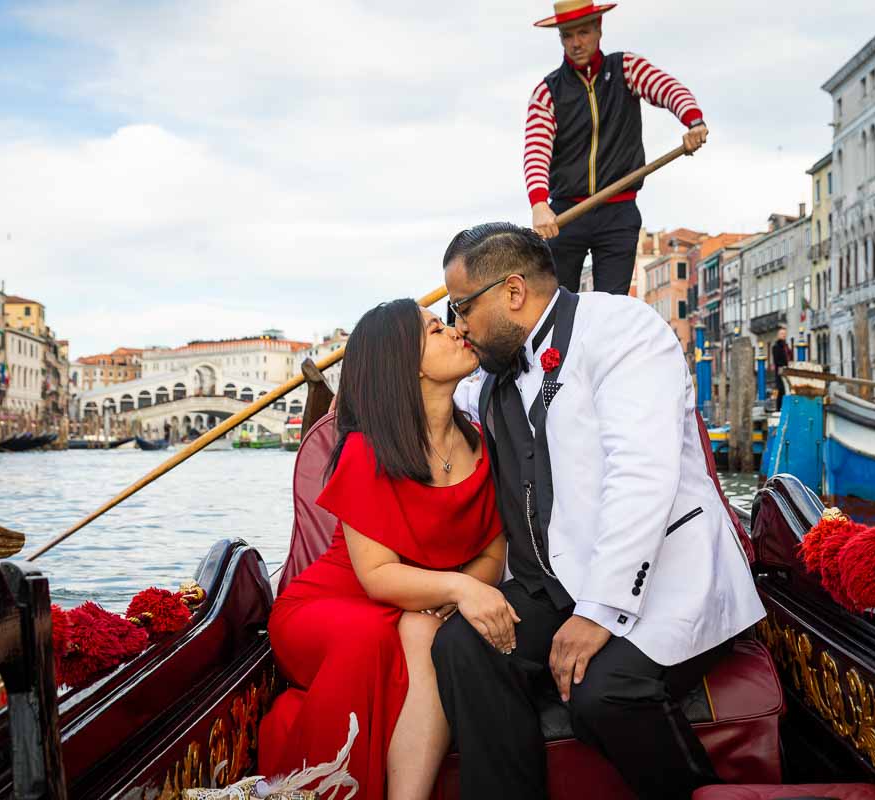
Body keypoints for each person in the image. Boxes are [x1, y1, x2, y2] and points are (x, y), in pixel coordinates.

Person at [437, 223, 764, 799]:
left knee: (604, 692)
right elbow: (429, 397)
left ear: (513, 293)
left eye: (461, 306)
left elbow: (641, 477)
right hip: (554, 581)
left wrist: (598, 612)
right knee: (465, 644)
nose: (457, 325)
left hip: (667, 574)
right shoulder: (489, 373)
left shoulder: (622, 330)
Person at [258, 300, 513, 800]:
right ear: (407, 363)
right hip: (332, 605)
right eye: (436, 329)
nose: (456, 331)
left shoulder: (483, 444)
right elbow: (376, 575)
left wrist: (455, 591)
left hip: (416, 603)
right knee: (374, 637)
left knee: (421, 627)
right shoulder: (368, 448)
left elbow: (491, 555)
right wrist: (456, 588)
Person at [526, 0, 710, 294]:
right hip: (565, 215)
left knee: (613, 309)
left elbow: (669, 89)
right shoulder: (547, 92)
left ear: (599, 29)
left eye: (583, 33)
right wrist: (539, 204)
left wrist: (693, 121)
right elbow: (536, 149)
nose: (575, 43)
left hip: (618, 210)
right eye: (567, 36)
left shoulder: (626, 68)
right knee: (556, 306)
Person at [771, 327, 790, 411]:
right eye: (782, 334)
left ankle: (785, 407)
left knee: (787, 389)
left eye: (785, 334)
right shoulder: (776, 347)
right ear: (778, 335)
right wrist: (783, 366)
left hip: (787, 370)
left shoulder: (786, 346)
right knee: (781, 389)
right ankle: (779, 409)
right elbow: (777, 360)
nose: (784, 335)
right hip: (780, 371)